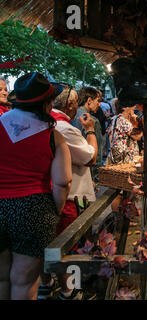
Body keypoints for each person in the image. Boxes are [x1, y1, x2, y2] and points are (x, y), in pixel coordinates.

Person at [0, 72, 71, 300]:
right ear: (47, 103)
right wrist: (55, 211)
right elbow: (62, 182)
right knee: (23, 282)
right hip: (34, 210)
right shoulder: (54, 136)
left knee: (1, 277)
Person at [38, 85, 98, 300]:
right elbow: (90, 157)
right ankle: (69, 291)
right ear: (71, 105)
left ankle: (46, 284)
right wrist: (90, 130)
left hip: (41, 195)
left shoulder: (40, 123)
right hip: (67, 198)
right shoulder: (63, 128)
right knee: (66, 247)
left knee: (45, 244)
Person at [71, 87, 103, 184]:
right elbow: (96, 155)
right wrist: (95, 178)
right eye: (98, 100)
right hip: (86, 171)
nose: (99, 104)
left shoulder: (70, 116)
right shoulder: (92, 121)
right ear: (89, 101)